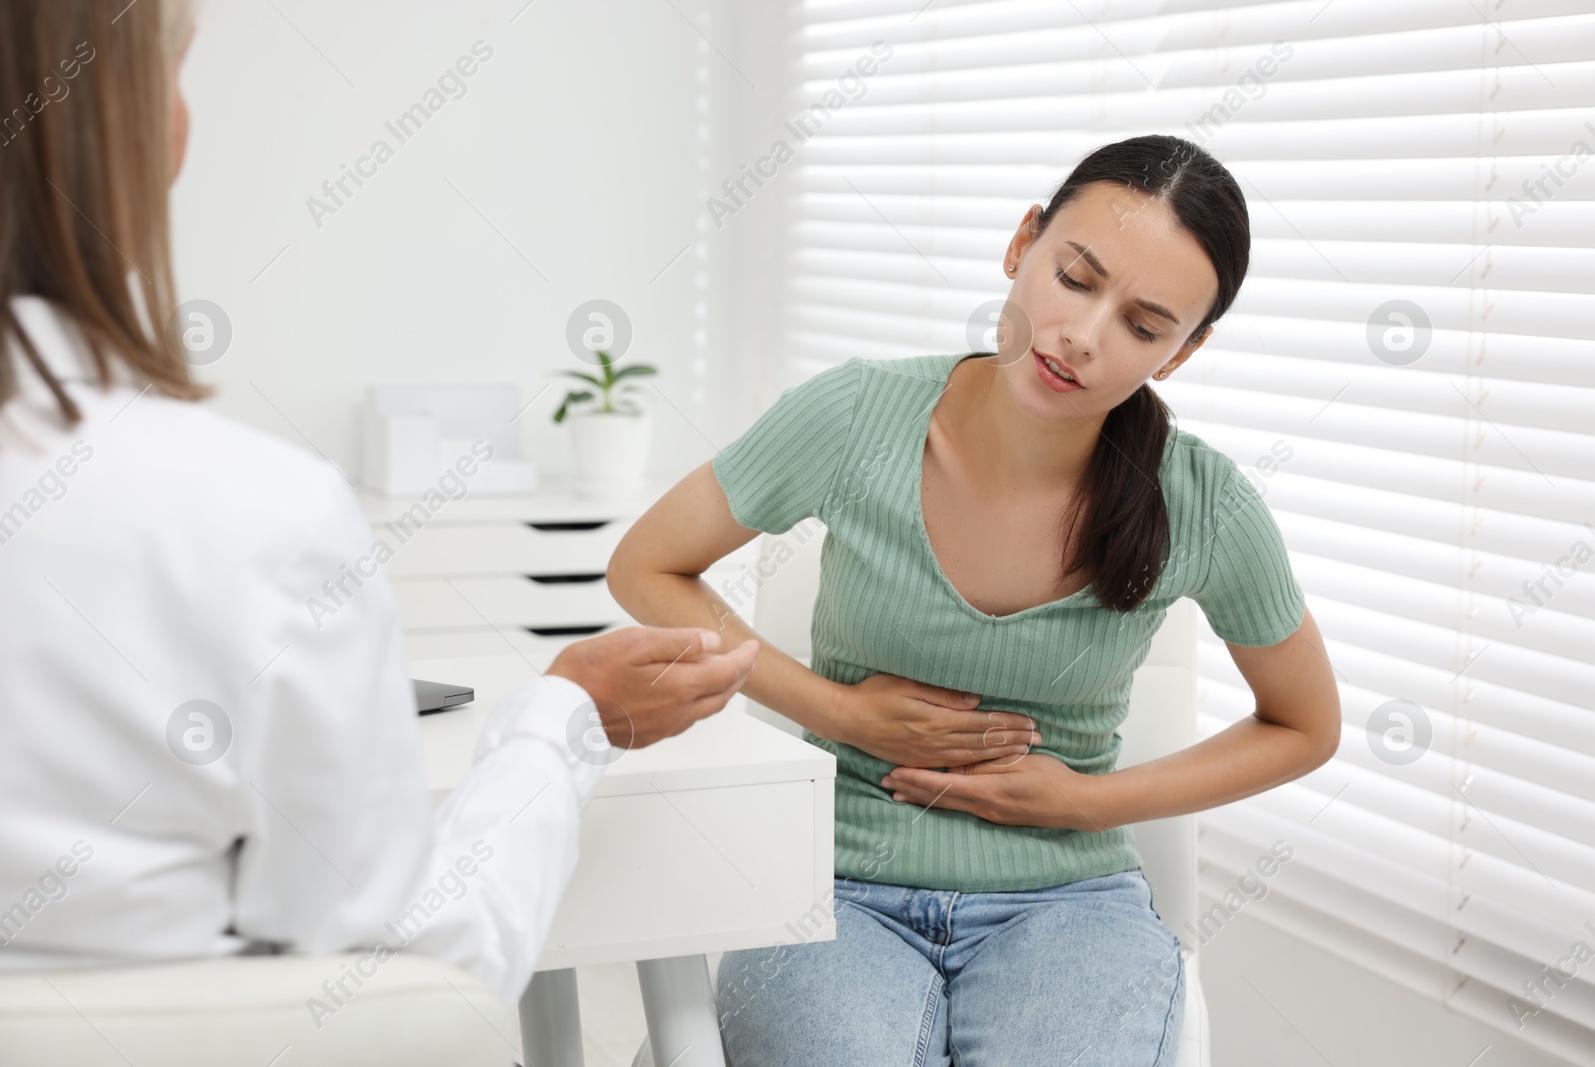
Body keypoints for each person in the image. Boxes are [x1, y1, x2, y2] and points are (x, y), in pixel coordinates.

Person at [0, 0, 758, 1007]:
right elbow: (417, 969)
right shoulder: (250, 514)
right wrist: (560, 717)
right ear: (119, 126)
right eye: (172, 74)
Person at [606, 134, 1343, 1064]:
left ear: (1182, 354)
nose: (1083, 334)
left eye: (1144, 325)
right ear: (1022, 244)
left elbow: (1304, 724)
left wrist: (1088, 802)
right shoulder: (854, 415)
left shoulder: (1203, 502)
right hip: (835, 884)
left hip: (1069, 904)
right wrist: (842, 713)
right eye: (1076, 277)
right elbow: (648, 566)